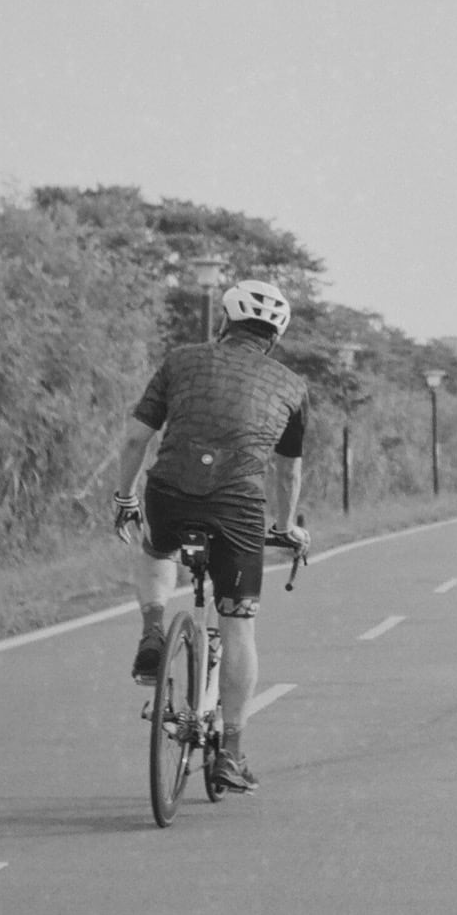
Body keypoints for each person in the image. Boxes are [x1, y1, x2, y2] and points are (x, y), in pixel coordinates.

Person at [112, 276, 309, 792]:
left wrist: (125, 498)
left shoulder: (181, 360)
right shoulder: (292, 386)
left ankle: (153, 630)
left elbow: (135, 438)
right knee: (238, 625)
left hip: (170, 491)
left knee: (157, 546)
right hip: (237, 506)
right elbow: (287, 471)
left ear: (225, 321)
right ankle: (232, 755)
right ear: (275, 336)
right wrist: (285, 527)